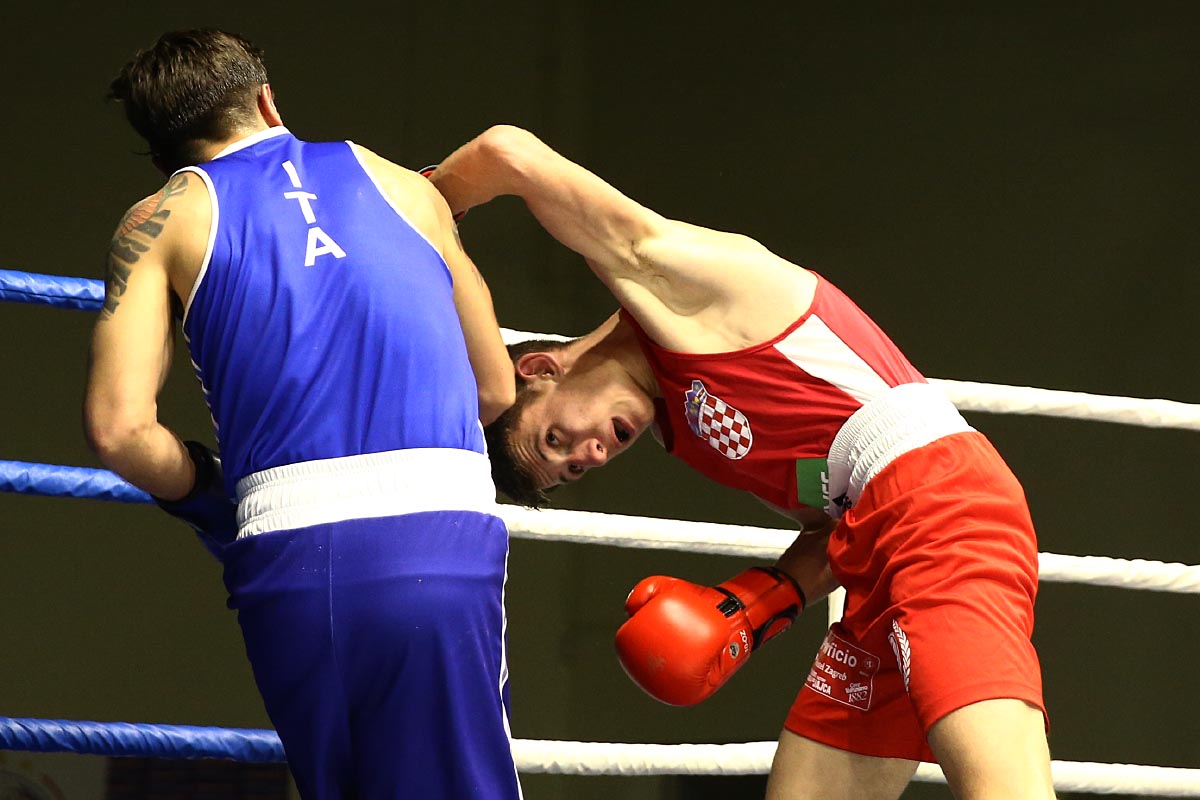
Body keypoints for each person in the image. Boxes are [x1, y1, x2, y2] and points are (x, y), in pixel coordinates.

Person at [427, 125, 1055, 799]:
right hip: (875, 544)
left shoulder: (675, 282)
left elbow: (508, 154)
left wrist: (423, 213)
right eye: (576, 469)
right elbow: (829, 532)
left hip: (941, 507)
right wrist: (757, 604)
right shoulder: (682, 431)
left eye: (556, 440)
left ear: (543, 368)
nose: (591, 453)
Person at [83, 31, 521, 800]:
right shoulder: (404, 187)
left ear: (164, 153)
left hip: (285, 551)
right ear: (265, 99)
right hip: (437, 538)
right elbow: (495, 389)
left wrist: (206, 495)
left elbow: (121, 431)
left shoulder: (159, 218)